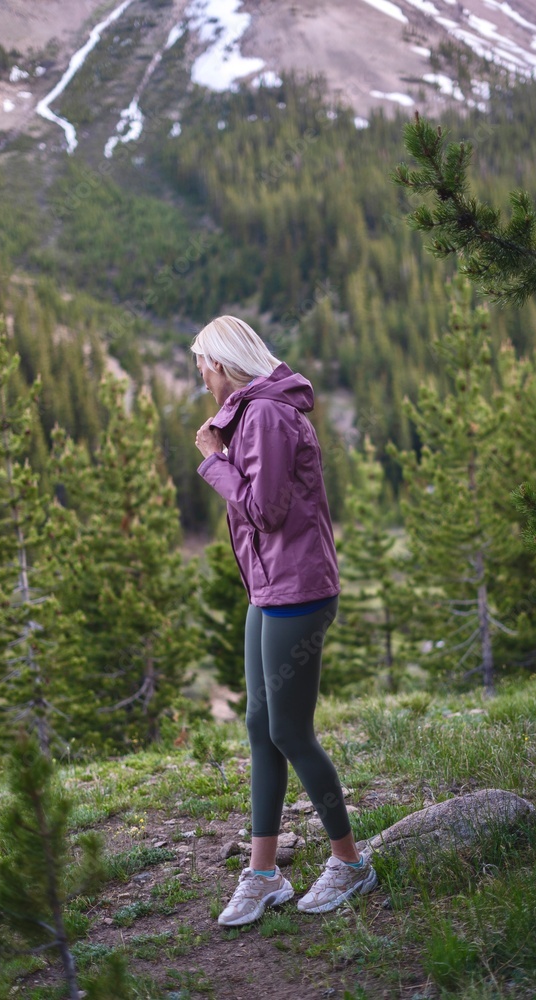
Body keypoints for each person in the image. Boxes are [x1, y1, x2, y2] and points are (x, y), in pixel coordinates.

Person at [193, 315, 377, 928]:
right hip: (269, 590)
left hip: (297, 590)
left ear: (220, 366)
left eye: (202, 365)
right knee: (260, 725)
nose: (200, 376)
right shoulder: (253, 411)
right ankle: (264, 874)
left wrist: (213, 461)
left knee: (291, 731)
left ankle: (350, 862)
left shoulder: (267, 415)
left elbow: (264, 511)